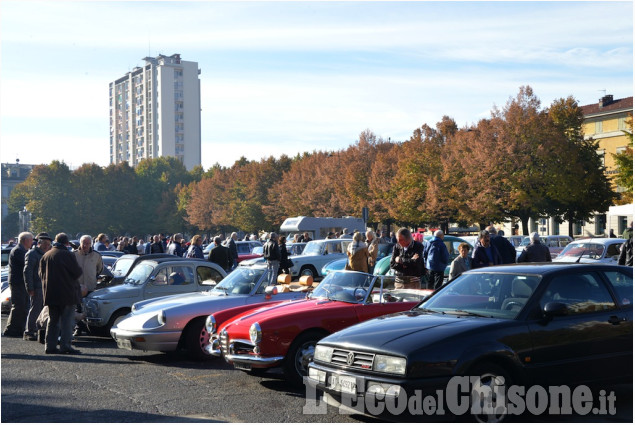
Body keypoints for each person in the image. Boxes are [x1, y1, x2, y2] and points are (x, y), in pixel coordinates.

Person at [40, 233, 83, 355]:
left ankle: (50, 346)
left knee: (52, 321)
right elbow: (77, 272)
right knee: (67, 321)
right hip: (67, 294)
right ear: (66, 243)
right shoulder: (67, 255)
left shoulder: (46, 255)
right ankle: (65, 345)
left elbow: (40, 274)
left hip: (50, 294)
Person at [3, 232, 34, 338]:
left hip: (20, 282)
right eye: (31, 240)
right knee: (19, 306)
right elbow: (27, 264)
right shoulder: (18, 251)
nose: (32, 242)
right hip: (18, 282)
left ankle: (17, 328)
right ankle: (12, 329)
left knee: (22, 306)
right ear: (25, 240)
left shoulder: (21, 250)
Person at [23, 233, 52, 340]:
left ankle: (39, 330)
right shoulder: (32, 254)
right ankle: (29, 331)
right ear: (38, 243)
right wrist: (30, 287)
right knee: (34, 309)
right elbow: (27, 272)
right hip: (36, 287)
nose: (46, 246)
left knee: (43, 310)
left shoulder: (47, 254)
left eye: (48, 244)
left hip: (45, 287)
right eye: (44, 243)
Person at [74, 235, 104, 336]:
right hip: (77, 287)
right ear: (80, 243)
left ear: (91, 244)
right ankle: (78, 328)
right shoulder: (74, 255)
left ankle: (89, 329)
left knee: (89, 309)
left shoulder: (96, 256)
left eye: (87, 243)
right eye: (83, 243)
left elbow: (99, 269)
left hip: (90, 287)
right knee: (77, 309)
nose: (85, 245)